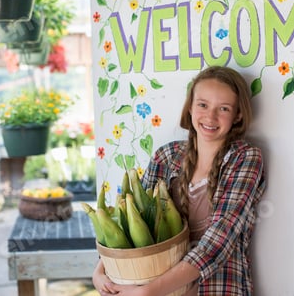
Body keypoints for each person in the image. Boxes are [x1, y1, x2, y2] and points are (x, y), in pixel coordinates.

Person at [92, 66, 266, 296]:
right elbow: (130, 223)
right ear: (190, 107)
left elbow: (220, 240)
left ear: (238, 115)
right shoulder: (166, 157)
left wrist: (148, 292)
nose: (210, 117)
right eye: (203, 105)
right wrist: (101, 269)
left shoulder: (244, 158)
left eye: (223, 108)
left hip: (218, 289)